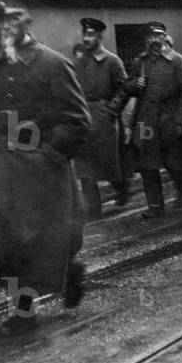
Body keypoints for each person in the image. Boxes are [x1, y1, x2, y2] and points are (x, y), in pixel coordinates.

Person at [0, 0, 91, 333]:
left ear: (28, 21)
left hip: (43, 173)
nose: (7, 25)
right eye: (1, 19)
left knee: (47, 239)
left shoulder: (53, 64)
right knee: (6, 242)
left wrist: (48, 156)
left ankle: (70, 271)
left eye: (14, 17)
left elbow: (78, 121)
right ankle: (22, 310)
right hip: (2, 171)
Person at [119, 21, 182, 219]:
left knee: (172, 163)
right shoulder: (140, 62)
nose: (155, 40)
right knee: (146, 163)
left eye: (158, 36)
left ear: (164, 37)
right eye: (151, 37)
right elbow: (128, 86)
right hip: (145, 121)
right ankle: (155, 206)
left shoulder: (177, 61)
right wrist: (135, 84)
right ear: (146, 40)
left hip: (169, 119)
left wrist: (181, 122)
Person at [73, 18, 129, 218]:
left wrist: (112, 110)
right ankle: (93, 209)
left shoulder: (112, 61)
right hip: (82, 117)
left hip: (104, 118)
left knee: (108, 165)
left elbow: (124, 89)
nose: (87, 38)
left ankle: (122, 187)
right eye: (85, 34)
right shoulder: (77, 63)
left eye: (91, 34)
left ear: (100, 37)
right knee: (84, 167)